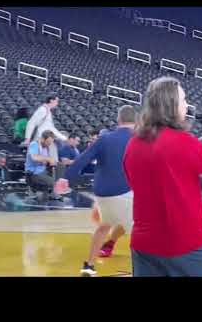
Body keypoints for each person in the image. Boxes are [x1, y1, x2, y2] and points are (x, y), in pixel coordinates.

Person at [123, 76, 202, 277]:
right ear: (170, 105)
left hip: (143, 245)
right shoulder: (183, 142)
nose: (187, 105)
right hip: (184, 245)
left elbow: (134, 183)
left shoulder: (133, 144)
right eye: (183, 100)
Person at [55, 105, 137, 276]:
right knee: (139, 230)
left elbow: (82, 159)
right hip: (125, 191)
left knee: (104, 226)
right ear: (136, 121)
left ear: (118, 120)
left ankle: (89, 265)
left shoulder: (104, 138)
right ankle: (142, 268)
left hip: (102, 194)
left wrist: (65, 178)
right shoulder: (140, 139)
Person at [24, 94, 67, 164]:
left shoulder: (47, 111)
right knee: (43, 158)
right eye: (56, 101)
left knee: (52, 155)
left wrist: (63, 138)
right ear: (51, 101)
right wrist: (27, 138)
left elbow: (51, 128)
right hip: (41, 139)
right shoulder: (42, 110)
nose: (57, 103)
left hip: (46, 138)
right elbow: (31, 123)